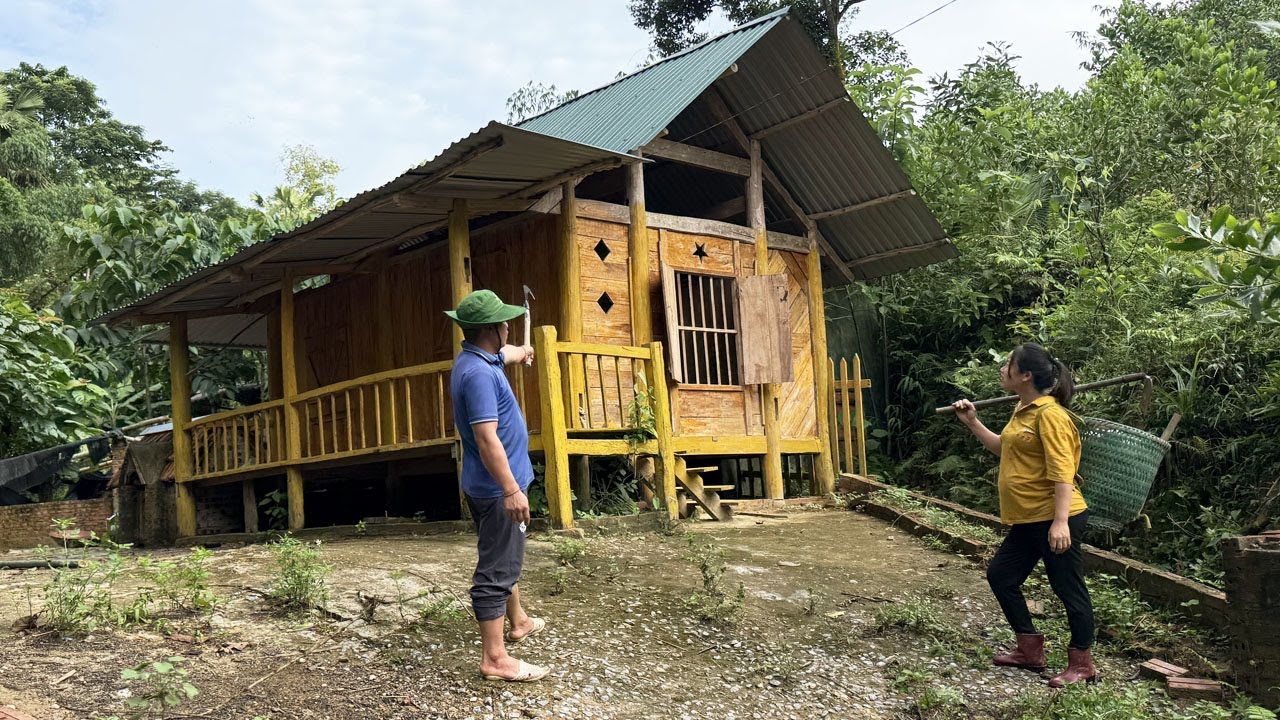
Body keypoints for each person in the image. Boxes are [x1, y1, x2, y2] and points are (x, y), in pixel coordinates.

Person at [951, 343, 1097, 687]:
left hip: (1055, 517)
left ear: (1026, 375)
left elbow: (1063, 472)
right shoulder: (1024, 409)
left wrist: (1060, 523)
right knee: (1001, 575)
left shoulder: (1051, 416)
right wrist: (973, 423)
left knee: (1068, 588)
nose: (1003, 369)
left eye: (1008, 365)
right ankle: (1029, 650)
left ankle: (1082, 663)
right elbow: (1006, 447)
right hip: (1029, 518)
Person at [446, 289, 549, 683]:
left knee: (507, 553)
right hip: (494, 488)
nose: (509, 325)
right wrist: (511, 489)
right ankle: (495, 659)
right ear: (492, 329)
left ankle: (518, 620)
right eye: (504, 322)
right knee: (496, 569)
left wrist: (521, 351)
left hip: (489, 483)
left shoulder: (480, 357)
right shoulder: (477, 375)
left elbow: (502, 356)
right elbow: (487, 437)